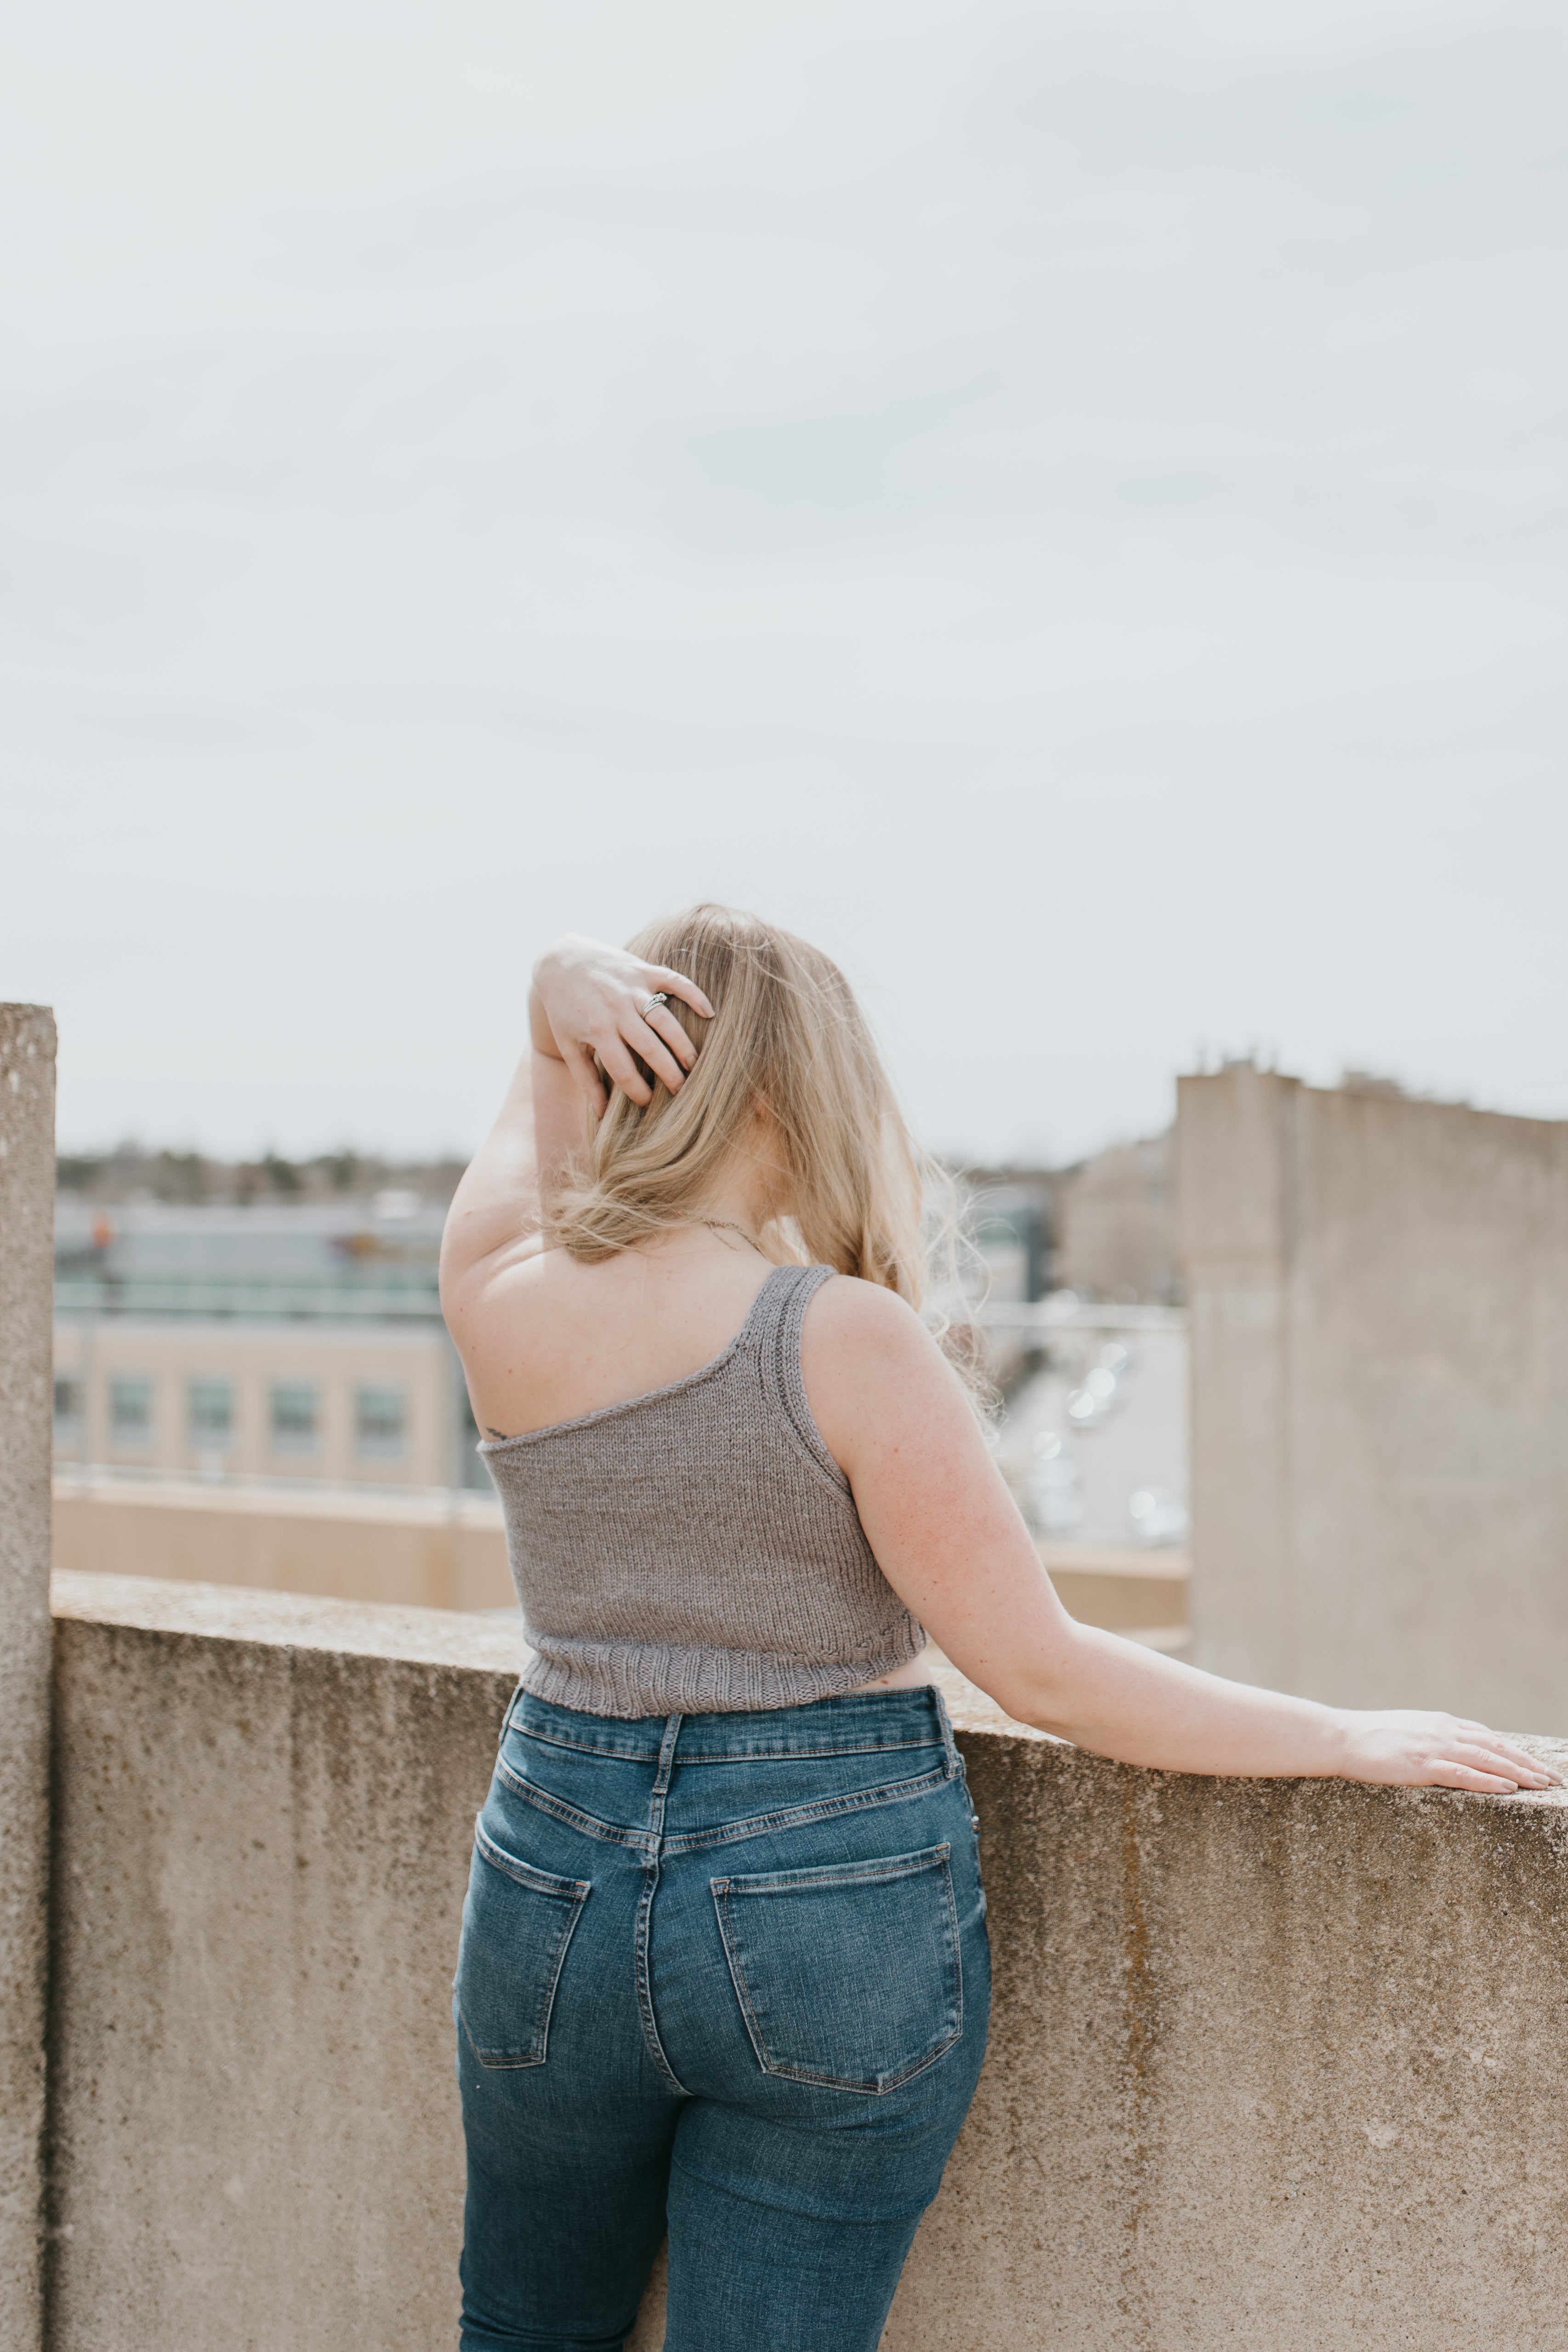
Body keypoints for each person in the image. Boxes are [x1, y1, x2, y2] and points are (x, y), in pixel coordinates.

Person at [439, 904, 1552, 2352]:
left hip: (551, 1878)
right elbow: (1037, 1667)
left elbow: (524, 1158)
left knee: (522, 2323)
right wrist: (1340, 1734)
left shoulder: (500, 1295)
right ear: (794, 1090)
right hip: (820, 1891)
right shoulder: (834, 1335)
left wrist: (545, 1003)